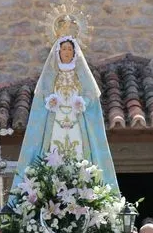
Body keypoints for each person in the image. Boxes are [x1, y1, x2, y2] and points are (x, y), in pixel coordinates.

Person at [10, 28, 118, 194]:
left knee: (79, 153)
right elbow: (43, 96)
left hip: (77, 122)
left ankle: (83, 187)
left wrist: (83, 101)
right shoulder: (51, 75)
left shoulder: (81, 75)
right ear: (58, 52)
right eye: (64, 49)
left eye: (69, 49)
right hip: (56, 123)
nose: (66, 52)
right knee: (53, 151)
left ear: (75, 52)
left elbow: (91, 95)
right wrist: (50, 101)